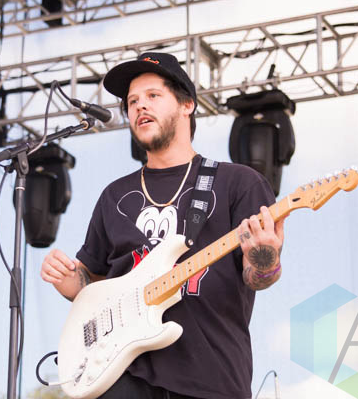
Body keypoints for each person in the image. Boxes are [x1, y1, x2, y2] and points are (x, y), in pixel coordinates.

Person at [40, 52, 286, 399]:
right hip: (123, 376)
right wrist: (68, 280)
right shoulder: (114, 196)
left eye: (153, 95)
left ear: (187, 104)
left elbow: (258, 277)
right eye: (132, 102)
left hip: (212, 379)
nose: (140, 106)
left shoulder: (238, 183)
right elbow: (90, 284)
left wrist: (266, 257)